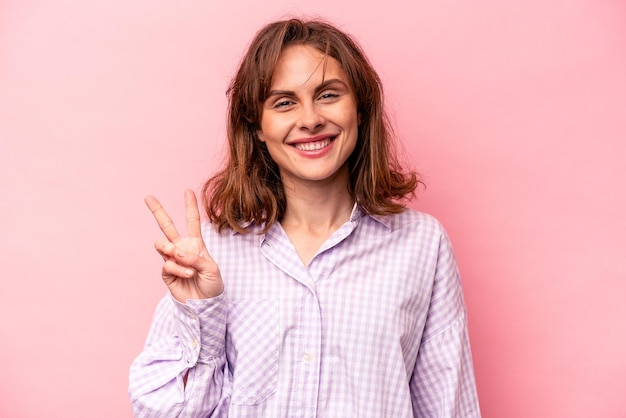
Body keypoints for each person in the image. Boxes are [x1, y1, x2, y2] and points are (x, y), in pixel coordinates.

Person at [129, 18, 481, 418]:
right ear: (256, 127)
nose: (310, 118)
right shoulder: (209, 256)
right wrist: (200, 318)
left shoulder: (422, 245)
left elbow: (448, 406)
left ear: (360, 109)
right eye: (284, 102)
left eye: (328, 95)